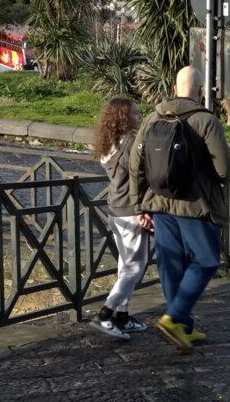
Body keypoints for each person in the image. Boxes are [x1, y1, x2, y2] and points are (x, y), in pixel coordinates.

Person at [129, 66, 230, 351]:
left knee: (171, 266)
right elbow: (223, 171)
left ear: (174, 89)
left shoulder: (152, 118)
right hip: (196, 207)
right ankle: (174, 317)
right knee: (206, 260)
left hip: (160, 205)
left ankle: (182, 327)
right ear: (200, 91)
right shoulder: (205, 121)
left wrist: (139, 205)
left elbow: (135, 166)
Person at [89, 98, 150, 340]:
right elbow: (140, 177)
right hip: (130, 210)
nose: (139, 116)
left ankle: (123, 316)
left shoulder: (107, 143)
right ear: (124, 117)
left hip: (115, 209)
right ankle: (105, 314)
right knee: (135, 267)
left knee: (125, 265)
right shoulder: (130, 144)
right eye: (135, 113)